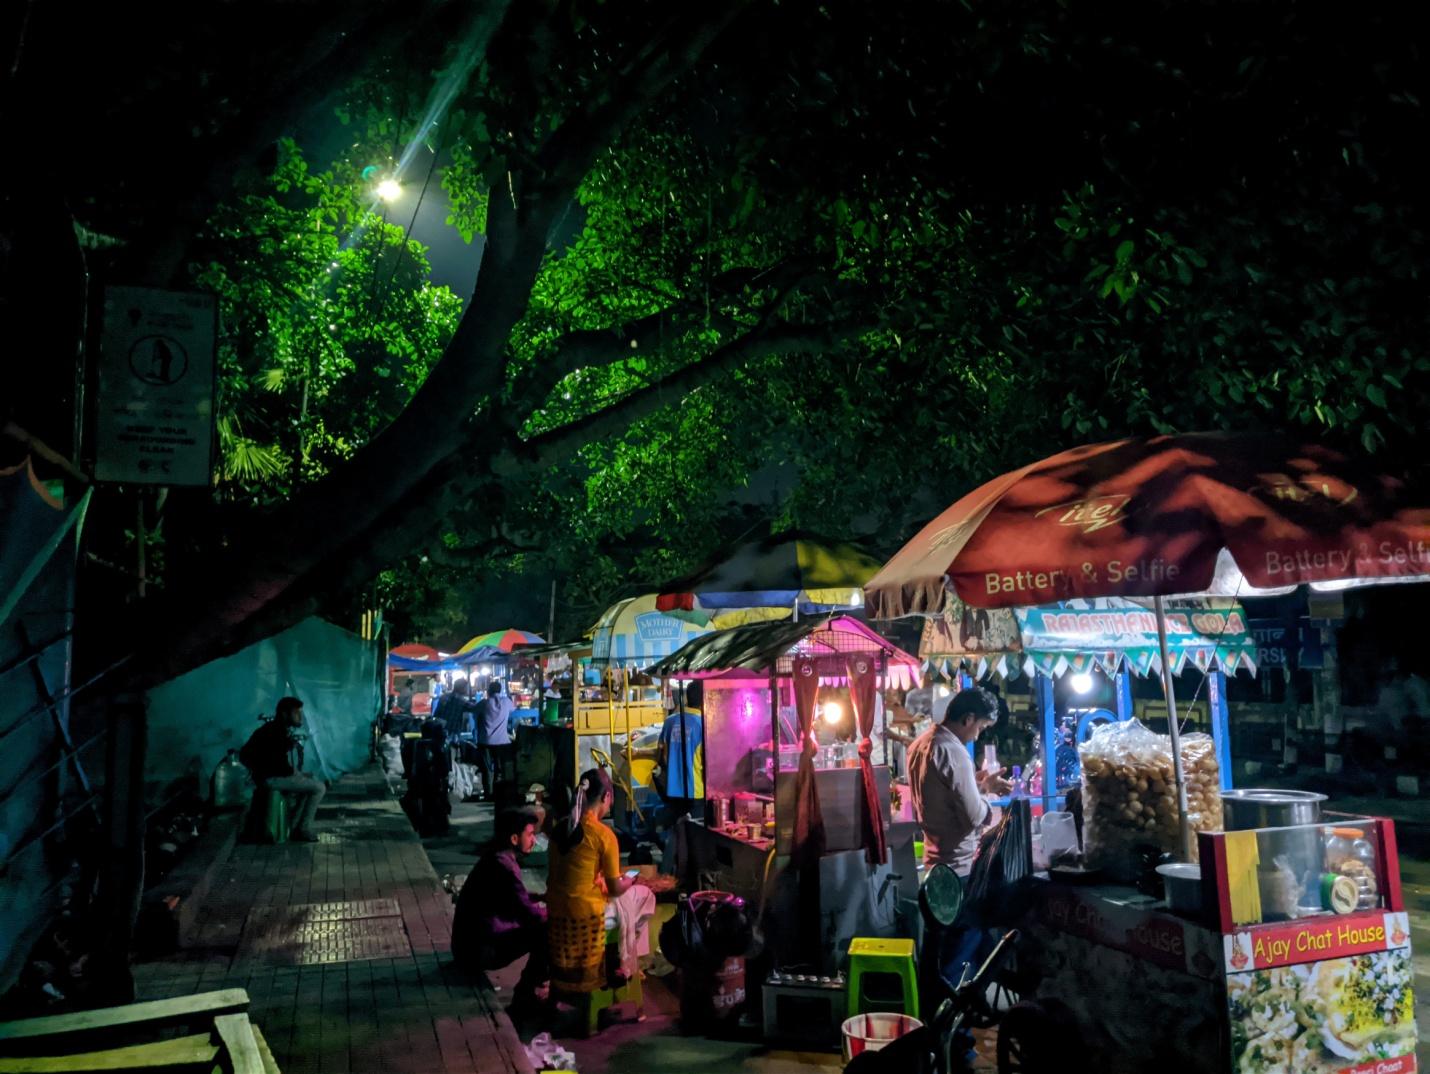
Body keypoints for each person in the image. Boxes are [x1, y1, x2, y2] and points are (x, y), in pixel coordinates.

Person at [906, 685, 1010, 1037]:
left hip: (934, 870)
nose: (978, 734)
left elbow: (947, 796)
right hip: (960, 872)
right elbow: (972, 816)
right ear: (967, 719)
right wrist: (988, 798)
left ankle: (931, 1035)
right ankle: (953, 1041)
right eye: (979, 727)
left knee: (938, 958)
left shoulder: (920, 745)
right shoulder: (953, 751)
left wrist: (979, 784)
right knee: (959, 961)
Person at [546, 768, 656, 997]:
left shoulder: (559, 829)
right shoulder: (603, 835)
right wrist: (630, 880)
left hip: (556, 909)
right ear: (606, 797)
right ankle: (629, 964)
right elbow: (615, 888)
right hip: (587, 914)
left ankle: (625, 958)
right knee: (644, 895)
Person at [451, 807, 548, 1011]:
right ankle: (525, 995)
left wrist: (538, 897)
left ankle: (530, 990)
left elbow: (511, 898)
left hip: (466, 947)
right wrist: (557, 914)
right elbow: (527, 914)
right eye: (530, 835)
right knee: (547, 930)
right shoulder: (504, 865)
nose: (534, 840)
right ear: (514, 839)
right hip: (478, 952)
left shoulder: (496, 858)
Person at [239, 696, 326, 842]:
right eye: (296, 713)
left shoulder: (273, 729)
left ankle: (293, 825)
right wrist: (293, 773)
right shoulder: (276, 732)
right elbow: (278, 765)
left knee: (310, 783)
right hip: (271, 779)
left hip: (269, 777)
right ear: (285, 714)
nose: (299, 717)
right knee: (319, 788)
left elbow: (246, 755)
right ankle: (303, 828)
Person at [657, 679, 705, 821]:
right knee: (694, 836)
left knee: (677, 835)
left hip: (672, 791)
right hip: (695, 792)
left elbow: (661, 753)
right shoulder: (704, 724)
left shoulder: (670, 721)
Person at [478, 679, 515, 797]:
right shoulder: (507, 702)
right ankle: (499, 793)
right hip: (502, 741)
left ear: (489, 691)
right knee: (500, 768)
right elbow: (514, 709)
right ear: (500, 690)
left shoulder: (484, 703)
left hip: (486, 741)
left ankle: (488, 792)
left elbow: (472, 709)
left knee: (487, 769)